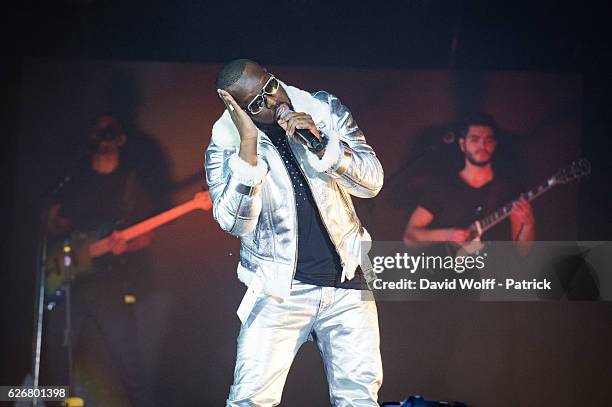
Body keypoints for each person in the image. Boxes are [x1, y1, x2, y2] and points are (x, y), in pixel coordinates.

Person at [205, 59, 384, 406]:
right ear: (239, 111)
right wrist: (247, 145)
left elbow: (372, 181)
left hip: (348, 281)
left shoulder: (323, 110)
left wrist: (321, 143)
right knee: (250, 401)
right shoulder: (225, 146)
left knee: (360, 399)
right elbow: (234, 222)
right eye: (257, 103)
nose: (273, 101)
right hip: (279, 290)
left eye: (271, 85)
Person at [43, 115, 156, 406]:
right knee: (56, 358)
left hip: (110, 285)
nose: (105, 137)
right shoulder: (75, 178)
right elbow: (53, 224)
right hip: (69, 283)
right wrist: (56, 233)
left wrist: (126, 246)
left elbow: (147, 235)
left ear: (121, 139)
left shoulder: (131, 183)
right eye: (100, 131)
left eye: (111, 131)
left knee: (130, 364)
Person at [404, 112, 535, 248]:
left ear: (494, 144)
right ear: (462, 144)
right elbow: (410, 236)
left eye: (488, 140)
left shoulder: (509, 188)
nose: (482, 146)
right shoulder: (443, 186)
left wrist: (529, 225)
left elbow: (522, 251)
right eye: (474, 139)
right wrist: (448, 235)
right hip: (448, 267)